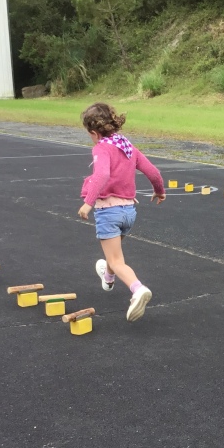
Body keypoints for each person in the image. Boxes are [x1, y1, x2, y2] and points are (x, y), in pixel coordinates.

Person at [77, 103, 165, 322]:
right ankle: (108, 278)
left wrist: (88, 202)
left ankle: (138, 289)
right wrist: (159, 191)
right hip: (128, 213)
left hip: (109, 212)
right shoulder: (127, 145)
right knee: (113, 255)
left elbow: (102, 175)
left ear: (94, 132)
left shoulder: (101, 148)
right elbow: (153, 172)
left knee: (117, 261)